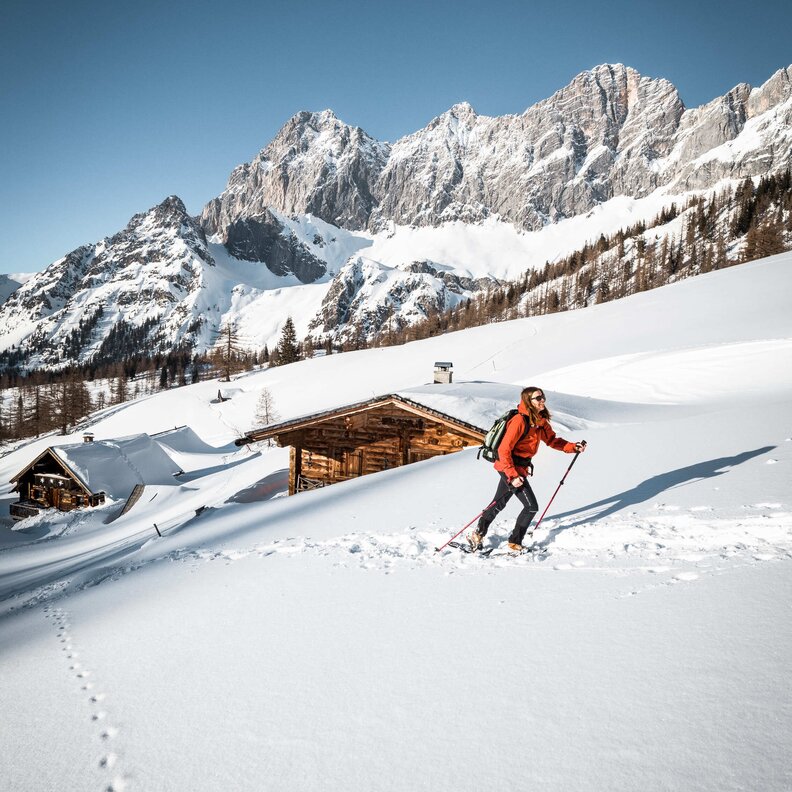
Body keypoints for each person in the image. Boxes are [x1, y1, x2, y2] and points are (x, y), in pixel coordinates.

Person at [470, 386, 586, 552]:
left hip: (519, 468)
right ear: (528, 401)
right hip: (509, 467)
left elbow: (553, 441)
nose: (542, 400)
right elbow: (504, 450)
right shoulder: (519, 421)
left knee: (499, 502)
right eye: (538, 398)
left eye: (542, 397)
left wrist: (573, 447)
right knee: (531, 506)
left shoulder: (540, 421)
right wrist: (512, 476)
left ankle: (478, 533)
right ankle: (514, 542)